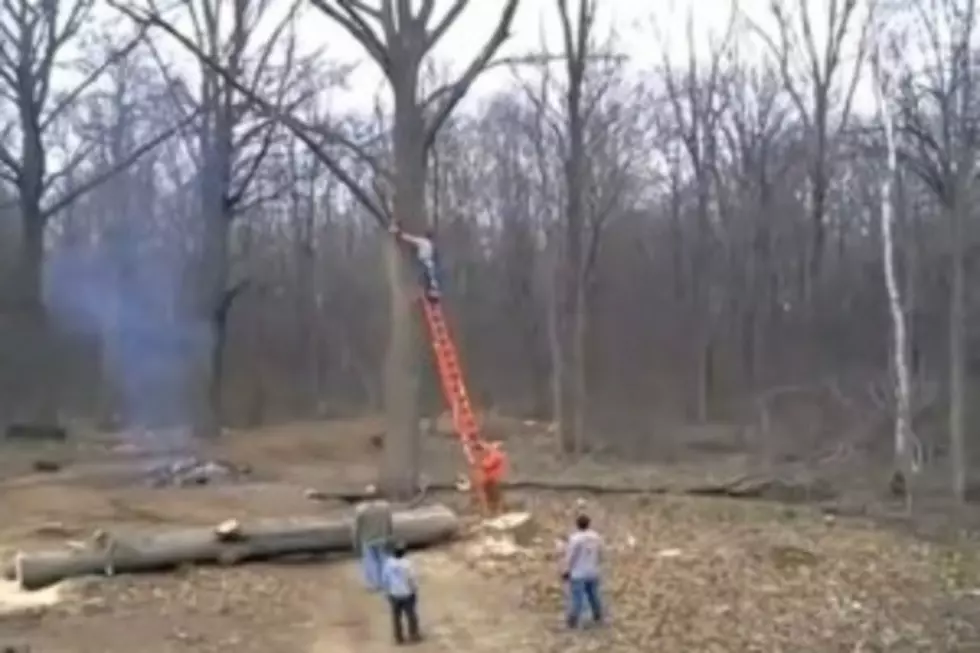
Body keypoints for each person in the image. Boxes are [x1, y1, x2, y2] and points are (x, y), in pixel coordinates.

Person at [562, 513, 604, 629]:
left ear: (577, 525)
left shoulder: (575, 539)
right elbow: (600, 553)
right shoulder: (596, 537)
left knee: (577, 598)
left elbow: (570, 556)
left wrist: (566, 570)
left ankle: (573, 620)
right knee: (594, 595)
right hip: (592, 571)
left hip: (578, 572)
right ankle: (598, 615)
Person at [352, 491, 394, 591]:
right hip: (382, 537)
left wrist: (355, 542)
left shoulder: (360, 510)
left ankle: (374, 585)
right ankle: (386, 582)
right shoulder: (385, 507)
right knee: (384, 560)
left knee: (370, 562)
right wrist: (390, 535)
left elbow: (357, 528)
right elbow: (389, 523)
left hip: (367, 539)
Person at [381, 542, 422, 645]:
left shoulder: (388, 564)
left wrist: (387, 591)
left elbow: (385, 579)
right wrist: (414, 589)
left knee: (396, 616)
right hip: (407, 593)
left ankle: (398, 637)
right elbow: (412, 578)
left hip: (394, 593)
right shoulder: (407, 564)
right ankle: (413, 634)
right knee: (411, 614)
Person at [389, 222, 441, 300]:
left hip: (422, 262)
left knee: (426, 274)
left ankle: (427, 289)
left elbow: (411, 239)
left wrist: (401, 234)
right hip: (426, 262)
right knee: (431, 274)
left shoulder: (423, 242)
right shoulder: (430, 244)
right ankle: (431, 289)